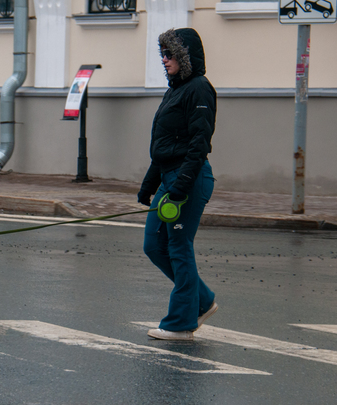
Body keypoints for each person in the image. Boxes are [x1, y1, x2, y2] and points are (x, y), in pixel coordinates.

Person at [137, 27, 219, 341]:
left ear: (185, 56)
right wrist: (149, 185)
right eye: (162, 53)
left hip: (190, 179)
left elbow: (199, 144)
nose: (164, 59)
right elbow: (164, 146)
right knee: (153, 244)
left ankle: (182, 323)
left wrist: (181, 186)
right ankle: (202, 300)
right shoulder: (175, 89)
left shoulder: (199, 88)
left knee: (178, 247)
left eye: (169, 54)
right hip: (169, 177)